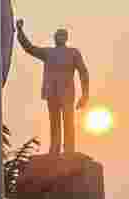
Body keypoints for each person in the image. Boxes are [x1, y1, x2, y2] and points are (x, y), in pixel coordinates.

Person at [16, 20, 90, 156]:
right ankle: (55, 148)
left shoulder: (73, 53)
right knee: (54, 122)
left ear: (66, 38)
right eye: (56, 35)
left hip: (67, 93)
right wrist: (20, 31)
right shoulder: (48, 52)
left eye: (61, 36)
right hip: (52, 92)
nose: (58, 38)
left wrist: (85, 94)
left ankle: (69, 150)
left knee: (68, 121)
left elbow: (83, 72)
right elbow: (29, 48)